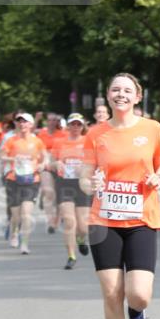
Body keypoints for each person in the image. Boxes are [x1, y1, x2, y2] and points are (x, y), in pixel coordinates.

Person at [80, 73, 160, 319]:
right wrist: (90, 183)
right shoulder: (96, 134)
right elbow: (84, 175)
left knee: (139, 293)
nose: (121, 94)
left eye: (127, 90)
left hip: (142, 218)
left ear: (137, 96)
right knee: (111, 291)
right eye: (115, 89)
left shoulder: (152, 128)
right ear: (108, 95)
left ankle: (137, 314)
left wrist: (158, 177)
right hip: (103, 220)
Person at [0, 113, 47, 254]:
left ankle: (24, 243)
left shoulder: (37, 141)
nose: (22, 124)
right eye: (20, 122)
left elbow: (45, 157)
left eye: (25, 122)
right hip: (14, 179)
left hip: (32, 179)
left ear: (31, 125)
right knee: (16, 215)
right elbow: (1, 155)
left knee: (27, 213)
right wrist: (13, 158)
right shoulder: (11, 140)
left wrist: (42, 165)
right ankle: (14, 232)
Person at [51, 113, 91, 269]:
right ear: (68, 126)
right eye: (72, 124)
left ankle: (81, 240)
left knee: (83, 226)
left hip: (82, 184)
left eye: (78, 124)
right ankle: (71, 256)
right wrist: (57, 164)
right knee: (69, 220)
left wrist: (85, 167)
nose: (75, 127)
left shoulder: (88, 142)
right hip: (64, 183)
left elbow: (96, 161)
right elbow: (51, 161)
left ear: (82, 126)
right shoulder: (59, 142)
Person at [37, 113, 66, 232]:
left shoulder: (63, 134)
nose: (52, 122)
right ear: (46, 121)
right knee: (49, 192)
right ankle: (50, 222)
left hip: (59, 165)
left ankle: (56, 220)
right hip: (46, 166)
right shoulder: (41, 134)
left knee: (59, 195)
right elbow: (37, 149)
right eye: (50, 120)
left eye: (54, 120)